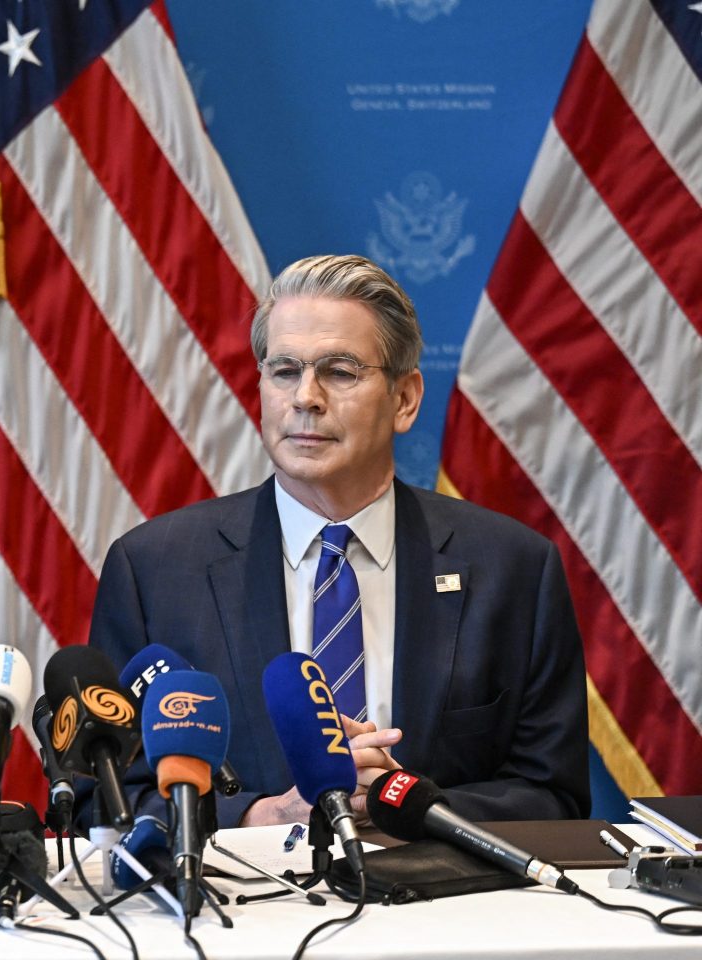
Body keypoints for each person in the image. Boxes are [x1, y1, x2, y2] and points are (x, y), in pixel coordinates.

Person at [90, 254, 588, 829]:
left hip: (441, 909)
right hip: (236, 912)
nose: (305, 397)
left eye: (340, 371)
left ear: (404, 400)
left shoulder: (514, 569)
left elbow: (555, 799)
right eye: (283, 371)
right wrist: (266, 815)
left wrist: (401, 809)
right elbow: (105, 798)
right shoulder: (153, 571)